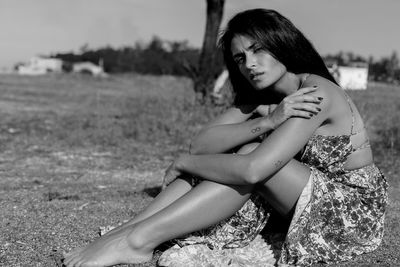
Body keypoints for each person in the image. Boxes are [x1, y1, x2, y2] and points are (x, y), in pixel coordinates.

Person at [64, 9, 388, 267]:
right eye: (239, 58)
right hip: (301, 195)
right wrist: (269, 120)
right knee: (235, 153)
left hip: (348, 211)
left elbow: (252, 171)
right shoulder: (265, 97)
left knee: (247, 157)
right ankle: (128, 231)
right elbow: (202, 144)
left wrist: (184, 162)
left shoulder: (314, 93)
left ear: (282, 43)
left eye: (257, 50)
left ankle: (138, 241)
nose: (250, 65)